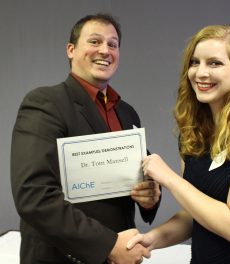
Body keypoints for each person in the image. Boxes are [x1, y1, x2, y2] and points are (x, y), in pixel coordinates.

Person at [126, 25, 230, 263]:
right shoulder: (193, 132)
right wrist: (153, 238)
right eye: (195, 62)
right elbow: (195, 213)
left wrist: (169, 178)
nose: (200, 73)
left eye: (214, 63)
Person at [10, 13, 161, 264]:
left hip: (121, 255)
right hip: (61, 257)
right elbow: (33, 195)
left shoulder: (126, 112)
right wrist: (109, 244)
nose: (105, 50)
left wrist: (150, 197)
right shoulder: (46, 103)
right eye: (94, 41)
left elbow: (139, 179)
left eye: (113, 44)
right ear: (71, 50)